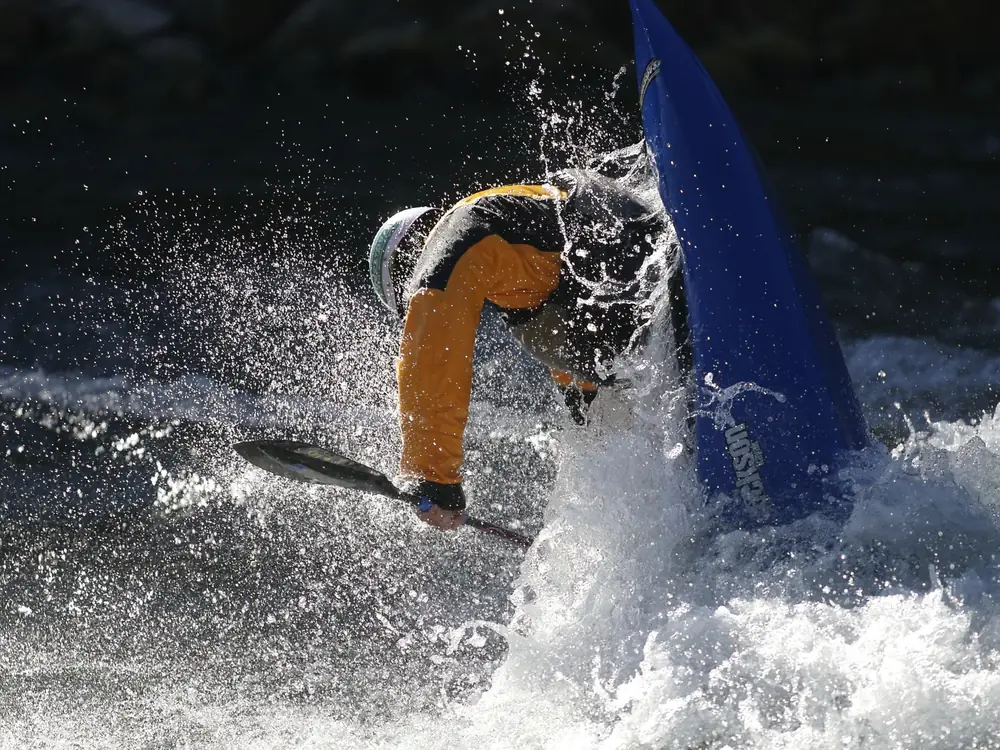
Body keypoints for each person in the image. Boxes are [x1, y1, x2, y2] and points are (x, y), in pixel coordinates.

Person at [368, 144, 688, 531]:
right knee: (594, 423)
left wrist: (431, 476)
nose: (413, 310)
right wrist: (590, 422)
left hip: (636, 263)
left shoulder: (460, 231)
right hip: (645, 282)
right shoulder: (516, 254)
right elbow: (572, 336)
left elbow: (432, 346)